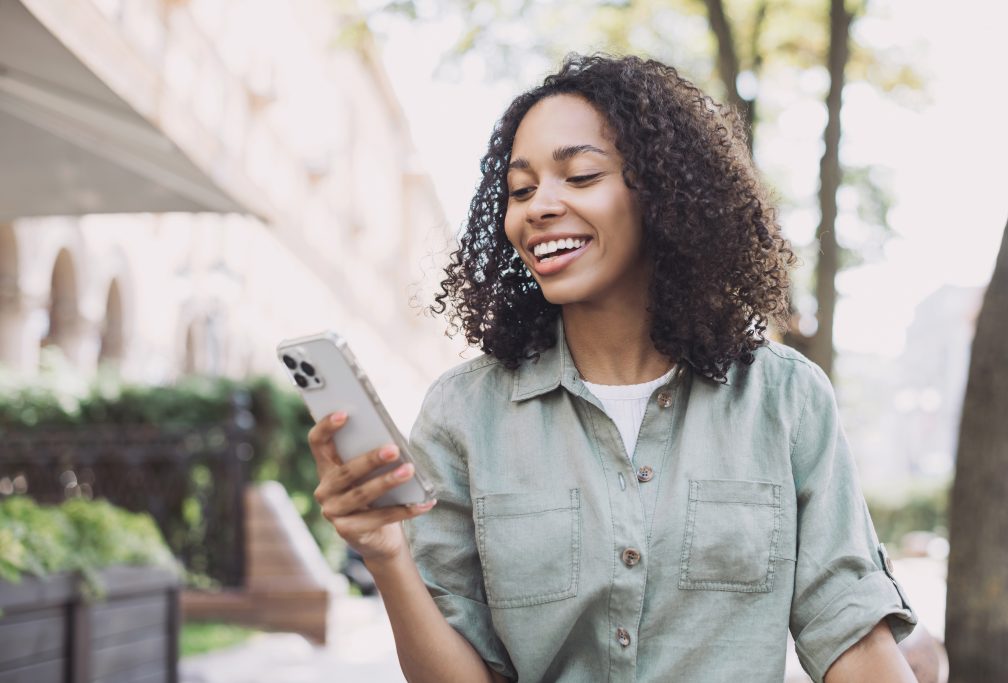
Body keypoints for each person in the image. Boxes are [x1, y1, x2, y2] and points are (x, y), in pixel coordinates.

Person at [308, 53, 919, 683]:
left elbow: (852, 638)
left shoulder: (785, 399)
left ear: (661, 194)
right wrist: (385, 555)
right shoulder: (464, 414)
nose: (539, 206)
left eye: (579, 176)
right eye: (521, 190)